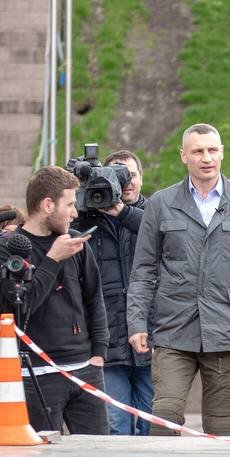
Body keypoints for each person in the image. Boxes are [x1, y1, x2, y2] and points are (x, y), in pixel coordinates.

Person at [127, 123, 230, 436]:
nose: (206, 157)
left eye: (212, 150)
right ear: (184, 156)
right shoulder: (161, 204)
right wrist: (137, 322)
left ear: (222, 152)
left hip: (229, 329)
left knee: (221, 431)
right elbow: (143, 269)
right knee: (163, 419)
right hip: (174, 330)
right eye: (198, 151)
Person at [6, 167, 108, 434]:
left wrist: (98, 355)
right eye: (70, 204)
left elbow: (94, 299)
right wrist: (52, 259)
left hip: (85, 371)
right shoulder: (10, 248)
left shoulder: (74, 242)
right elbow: (21, 308)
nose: (75, 213)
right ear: (48, 205)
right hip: (35, 374)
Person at [79, 149, 153, 435]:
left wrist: (123, 214)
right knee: (116, 428)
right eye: (117, 176)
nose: (126, 182)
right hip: (108, 343)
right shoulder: (85, 221)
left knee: (152, 426)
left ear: (142, 178)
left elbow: (164, 236)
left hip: (152, 337)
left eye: (131, 175)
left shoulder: (155, 213)